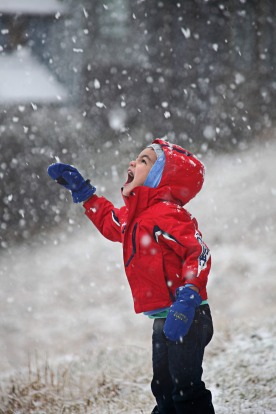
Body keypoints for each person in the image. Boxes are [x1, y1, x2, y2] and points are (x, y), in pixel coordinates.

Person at [48, 138, 215, 414]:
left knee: (185, 388)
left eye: (144, 161)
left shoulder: (168, 215)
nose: (132, 163)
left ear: (162, 179)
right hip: (163, 317)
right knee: (163, 387)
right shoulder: (137, 215)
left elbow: (199, 253)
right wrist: (84, 193)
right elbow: (111, 221)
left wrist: (187, 298)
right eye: (137, 158)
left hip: (189, 315)